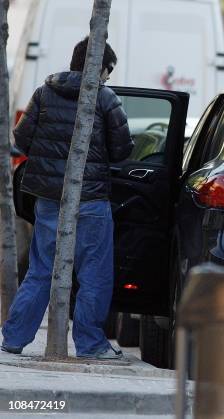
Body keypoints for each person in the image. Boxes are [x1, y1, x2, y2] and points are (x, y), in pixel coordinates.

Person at [1, 37, 133, 359]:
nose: (107, 78)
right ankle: (90, 344)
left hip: (48, 199)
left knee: (41, 270)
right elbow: (122, 150)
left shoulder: (44, 93)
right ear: (99, 66)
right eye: (108, 71)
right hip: (91, 200)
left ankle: (13, 339)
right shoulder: (105, 98)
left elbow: (21, 140)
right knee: (94, 274)